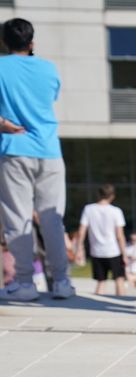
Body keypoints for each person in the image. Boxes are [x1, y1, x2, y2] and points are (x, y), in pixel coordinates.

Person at [0, 18, 75, 301]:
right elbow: (48, 99)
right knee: (52, 219)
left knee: (17, 218)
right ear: (31, 42)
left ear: (4, 42)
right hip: (49, 150)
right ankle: (62, 282)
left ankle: (24, 283)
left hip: (14, 148)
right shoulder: (48, 68)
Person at [75, 183, 128, 297]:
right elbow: (120, 235)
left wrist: (80, 249)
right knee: (119, 280)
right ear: (112, 196)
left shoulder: (88, 209)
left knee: (101, 281)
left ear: (98, 194)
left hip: (97, 251)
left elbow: (81, 231)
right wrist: (124, 254)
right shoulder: (116, 211)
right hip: (114, 251)